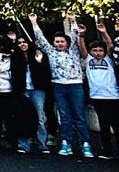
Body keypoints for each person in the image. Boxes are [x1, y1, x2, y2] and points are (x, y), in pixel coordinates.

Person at [30, 12, 92, 157]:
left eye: (62, 41)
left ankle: (85, 144)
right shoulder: (51, 52)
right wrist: (34, 22)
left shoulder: (74, 51)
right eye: (57, 41)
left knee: (79, 115)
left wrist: (72, 20)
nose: (59, 44)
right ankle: (66, 142)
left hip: (75, 85)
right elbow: (41, 39)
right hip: (58, 86)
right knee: (64, 116)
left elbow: (76, 35)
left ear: (67, 43)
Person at [81, 20, 118, 160]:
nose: (97, 53)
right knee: (104, 125)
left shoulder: (109, 59)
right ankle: (107, 151)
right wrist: (82, 35)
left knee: (116, 124)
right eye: (95, 50)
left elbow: (109, 45)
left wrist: (104, 32)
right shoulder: (88, 60)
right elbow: (82, 49)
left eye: (100, 50)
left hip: (113, 96)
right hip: (97, 96)